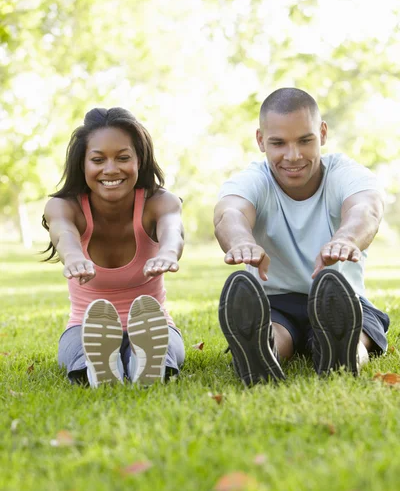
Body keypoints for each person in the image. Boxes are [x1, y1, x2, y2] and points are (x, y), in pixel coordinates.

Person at [214, 87, 389, 385]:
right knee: (273, 329)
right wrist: (241, 241)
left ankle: (344, 353)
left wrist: (346, 237)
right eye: (278, 143)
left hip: (341, 298)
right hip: (274, 303)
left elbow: (366, 209)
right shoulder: (253, 180)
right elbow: (229, 213)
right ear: (260, 140)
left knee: (355, 330)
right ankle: (262, 350)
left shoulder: (345, 173)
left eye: (305, 140)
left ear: (322, 133)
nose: (292, 156)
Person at [42, 107, 185, 388]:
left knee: (165, 347)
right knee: (81, 351)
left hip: (152, 327)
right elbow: (63, 232)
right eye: (98, 159)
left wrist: (168, 252)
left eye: (123, 158)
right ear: (82, 164)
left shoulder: (160, 202)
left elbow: (172, 228)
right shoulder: (64, 206)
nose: (111, 169)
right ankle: (102, 367)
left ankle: (141, 363)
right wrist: (72, 256)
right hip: (84, 327)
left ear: (139, 160)